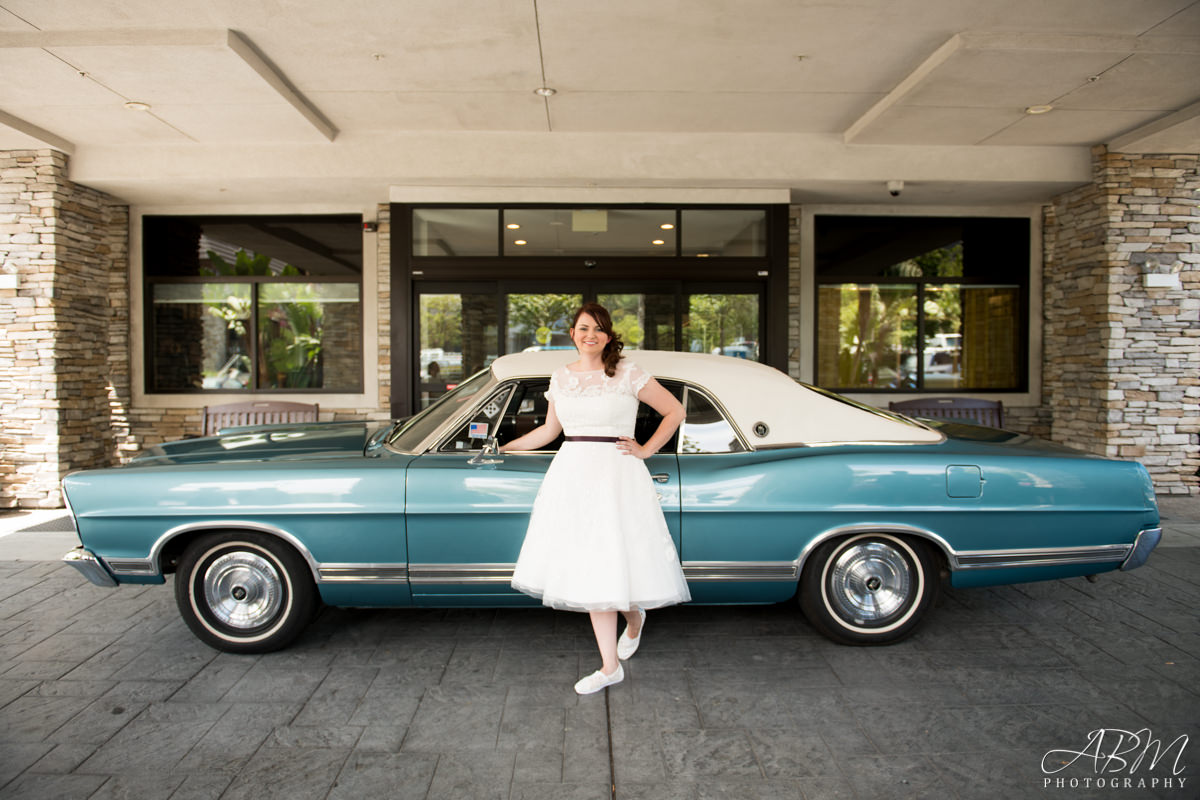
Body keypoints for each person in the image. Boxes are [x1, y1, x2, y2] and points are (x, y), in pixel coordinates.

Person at [500, 302, 690, 694]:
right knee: (590, 565)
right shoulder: (561, 377)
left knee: (615, 557)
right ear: (572, 333)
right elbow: (549, 432)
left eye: (599, 329)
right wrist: (505, 448)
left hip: (617, 474)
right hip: (572, 476)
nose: (591, 335)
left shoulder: (627, 373)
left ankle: (629, 627)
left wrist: (645, 449)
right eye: (584, 328)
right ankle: (611, 663)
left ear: (608, 336)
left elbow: (674, 411)